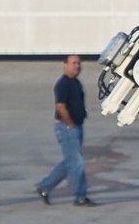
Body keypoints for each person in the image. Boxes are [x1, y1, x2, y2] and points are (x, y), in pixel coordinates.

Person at [36, 55, 95, 206]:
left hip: (76, 127)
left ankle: (44, 187)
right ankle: (80, 196)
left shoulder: (75, 83)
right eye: (73, 63)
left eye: (79, 63)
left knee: (70, 162)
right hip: (67, 128)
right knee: (77, 163)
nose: (77, 66)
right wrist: (70, 124)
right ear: (65, 65)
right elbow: (60, 106)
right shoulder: (63, 84)